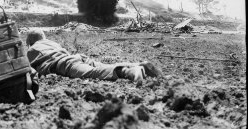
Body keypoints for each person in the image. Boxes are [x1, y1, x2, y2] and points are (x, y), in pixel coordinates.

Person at [26, 30, 162, 83]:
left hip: (63, 63)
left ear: (30, 42)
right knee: (102, 65)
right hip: (76, 57)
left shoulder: (31, 49)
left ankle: (128, 71)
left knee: (92, 73)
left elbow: (27, 70)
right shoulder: (52, 42)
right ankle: (139, 64)